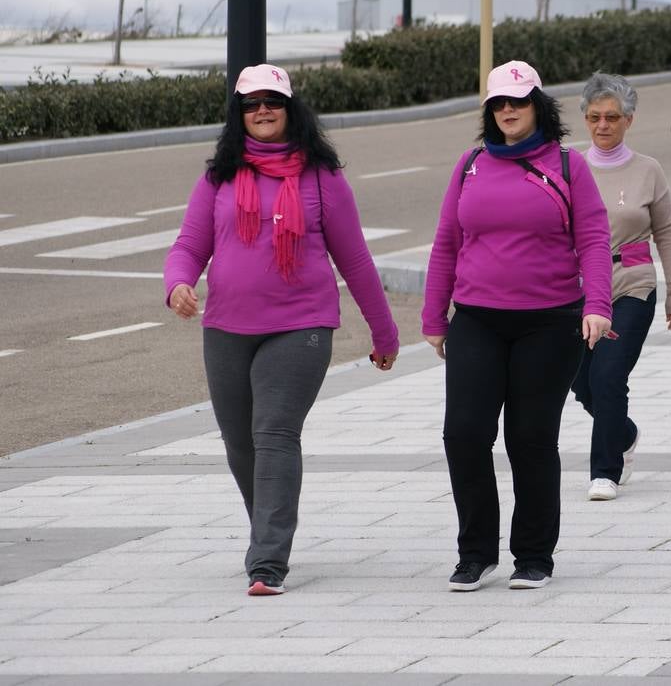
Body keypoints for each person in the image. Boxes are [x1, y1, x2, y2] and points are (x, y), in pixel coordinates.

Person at [163, 63, 399, 597]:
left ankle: (267, 560)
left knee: (273, 434)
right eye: (251, 104)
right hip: (226, 327)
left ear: (291, 109)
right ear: (239, 114)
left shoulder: (322, 177)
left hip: (302, 326)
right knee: (239, 446)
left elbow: (356, 260)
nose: (263, 110)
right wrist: (177, 283)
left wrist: (384, 334)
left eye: (273, 101)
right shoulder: (220, 176)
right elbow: (189, 246)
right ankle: (267, 527)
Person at [422, 60, 613, 592]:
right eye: (498, 103)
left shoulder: (568, 165)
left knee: (530, 437)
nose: (507, 110)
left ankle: (533, 556)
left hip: (550, 323)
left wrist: (598, 305)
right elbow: (446, 243)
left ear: (538, 106)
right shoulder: (470, 164)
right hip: (477, 319)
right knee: (464, 434)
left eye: (518, 101)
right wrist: (434, 317)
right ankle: (476, 552)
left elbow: (594, 239)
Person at [572, 72, 671, 500]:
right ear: (585, 119)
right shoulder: (570, 167)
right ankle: (624, 433)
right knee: (580, 382)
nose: (604, 125)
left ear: (629, 120)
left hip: (632, 287)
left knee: (608, 374)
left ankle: (605, 470)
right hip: (580, 290)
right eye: (596, 117)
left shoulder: (648, 171)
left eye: (613, 117)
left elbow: (669, 233)